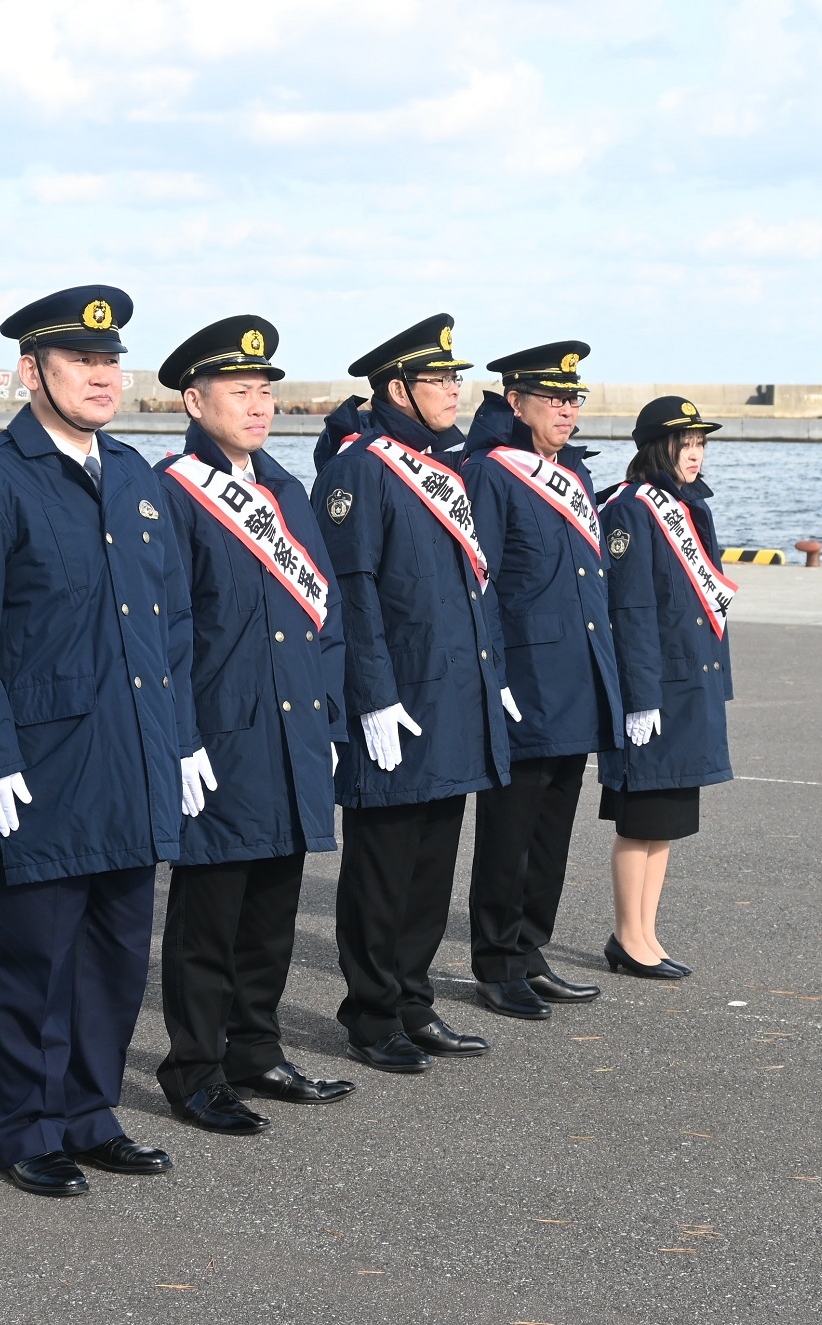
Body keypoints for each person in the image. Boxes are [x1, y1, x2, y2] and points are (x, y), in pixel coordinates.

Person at [0, 285, 203, 1198]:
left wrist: (184, 740)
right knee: (33, 960)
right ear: (30, 371)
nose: (101, 376)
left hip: (133, 755)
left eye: (111, 361)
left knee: (119, 954)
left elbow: (170, 625)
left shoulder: (132, 475)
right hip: (40, 764)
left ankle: (90, 1110)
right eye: (81, 360)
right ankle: (25, 1125)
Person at [151, 314, 355, 1134]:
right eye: (240, 391)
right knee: (210, 913)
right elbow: (165, 629)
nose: (259, 404)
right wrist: (180, 735)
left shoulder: (289, 491)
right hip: (223, 731)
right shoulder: (172, 491)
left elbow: (326, 615)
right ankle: (194, 1067)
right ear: (195, 401)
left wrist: (334, 716)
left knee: (273, 903)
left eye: (266, 390)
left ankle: (256, 1048)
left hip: (294, 729)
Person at [310, 313, 513, 1073]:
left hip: (451, 693)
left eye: (457, 378)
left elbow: (470, 585)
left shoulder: (446, 465)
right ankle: (370, 1012)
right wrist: (371, 695)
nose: (455, 390)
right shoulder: (361, 466)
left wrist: (493, 684)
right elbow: (349, 589)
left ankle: (413, 999)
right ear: (397, 387)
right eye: (439, 379)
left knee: (432, 860)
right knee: (383, 865)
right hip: (394, 699)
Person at [459, 342, 622, 1019]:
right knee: (510, 828)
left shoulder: (573, 476)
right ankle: (496, 962)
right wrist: (492, 673)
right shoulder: (491, 475)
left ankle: (531, 947)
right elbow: (482, 581)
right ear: (516, 402)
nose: (566, 408)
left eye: (573, 397)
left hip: (576, 679)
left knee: (552, 829)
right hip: (525, 681)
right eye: (553, 397)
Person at [596, 395, 735, 980]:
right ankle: (628, 937)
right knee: (642, 818)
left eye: (701, 444)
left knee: (668, 821)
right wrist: (640, 697)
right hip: (654, 689)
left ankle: (647, 933)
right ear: (660, 447)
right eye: (686, 444)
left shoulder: (686, 506)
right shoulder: (631, 508)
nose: (695, 455)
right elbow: (630, 607)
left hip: (689, 683)